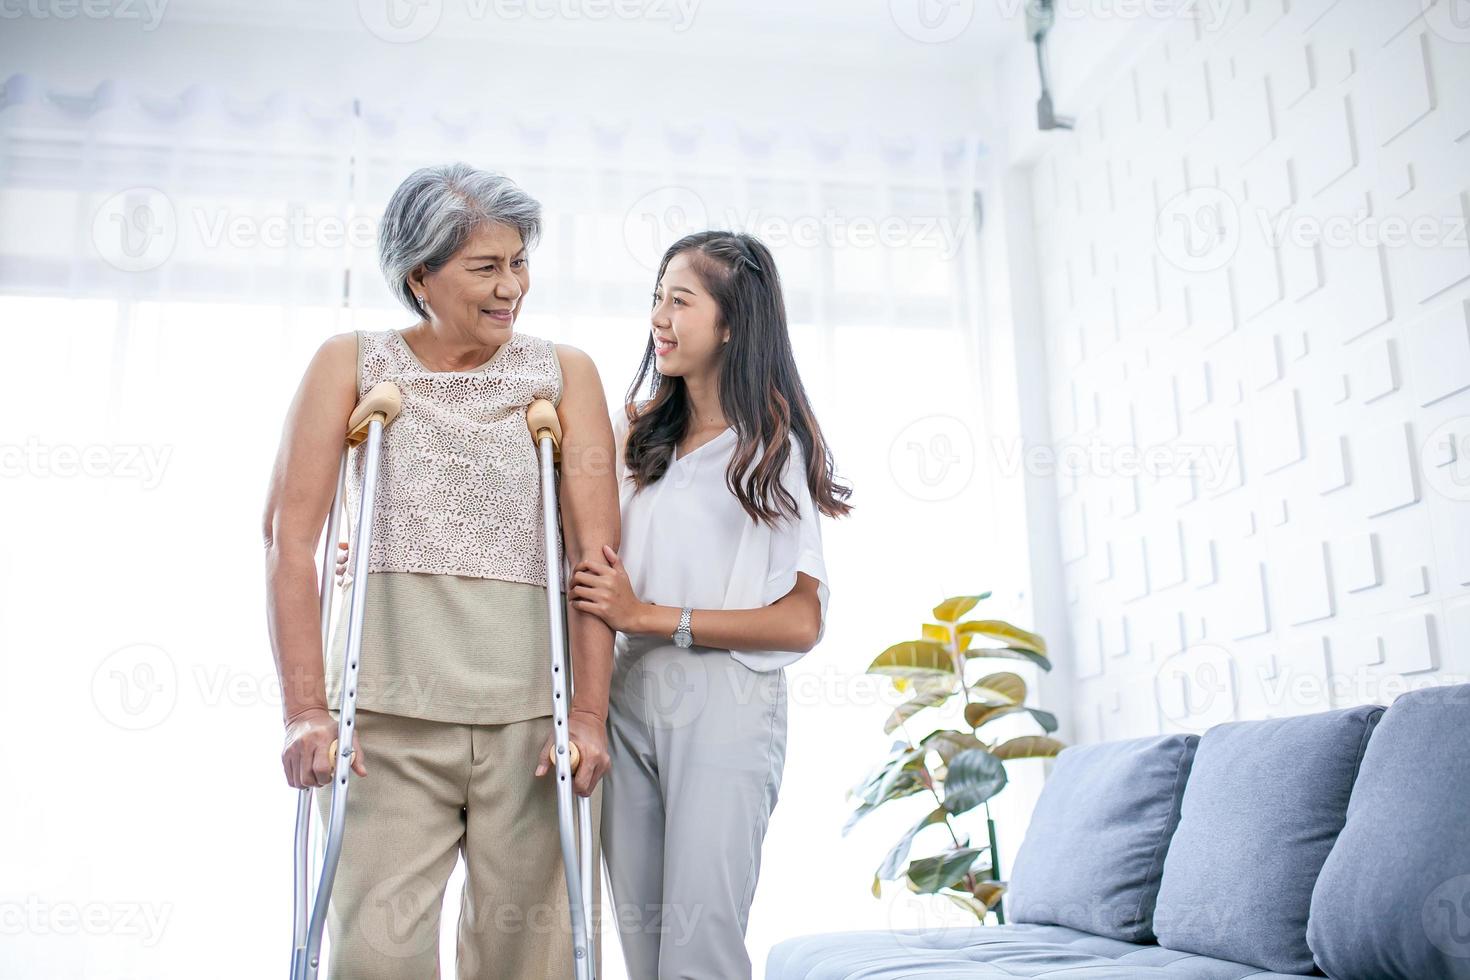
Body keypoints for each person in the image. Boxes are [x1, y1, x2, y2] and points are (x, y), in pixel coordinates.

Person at [262, 162, 618, 979]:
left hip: (535, 724)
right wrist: (304, 712)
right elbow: (288, 543)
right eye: (486, 267)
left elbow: (596, 564)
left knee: (529, 960)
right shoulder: (350, 362)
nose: (511, 287)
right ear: (419, 275)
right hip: (383, 720)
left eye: (519, 261)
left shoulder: (563, 373)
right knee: (374, 960)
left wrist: (590, 717)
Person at [570, 231, 852, 979]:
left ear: (730, 322)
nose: (659, 317)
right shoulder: (634, 433)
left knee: (699, 952)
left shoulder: (770, 449)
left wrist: (653, 617)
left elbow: (801, 620)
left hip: (725, 697)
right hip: (625, 695)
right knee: (643, 947)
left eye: (680, 300)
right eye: (656, 298)